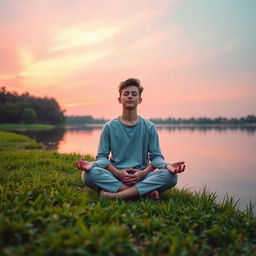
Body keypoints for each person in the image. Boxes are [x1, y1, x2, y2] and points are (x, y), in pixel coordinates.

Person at [77, 78, 185, 199]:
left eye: (134, 94)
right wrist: (95, 166)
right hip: (116, 175)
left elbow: (156, 158)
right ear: (120, 99)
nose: (130, 97)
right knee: (88, 175)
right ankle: (144, 192)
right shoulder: (109, 127)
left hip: (142, 176)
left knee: (171, 176)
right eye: (126, 94)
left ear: (140, 100)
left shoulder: (149, 127)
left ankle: (117, 195)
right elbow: (102, 158)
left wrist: (166, 166)